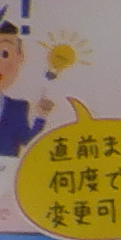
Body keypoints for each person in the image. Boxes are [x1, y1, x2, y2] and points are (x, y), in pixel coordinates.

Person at [0, 21, 86, 157]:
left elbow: (27, 140)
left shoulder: (18, 107)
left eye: (4, 54)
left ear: (20, 57)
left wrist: (41, 115)